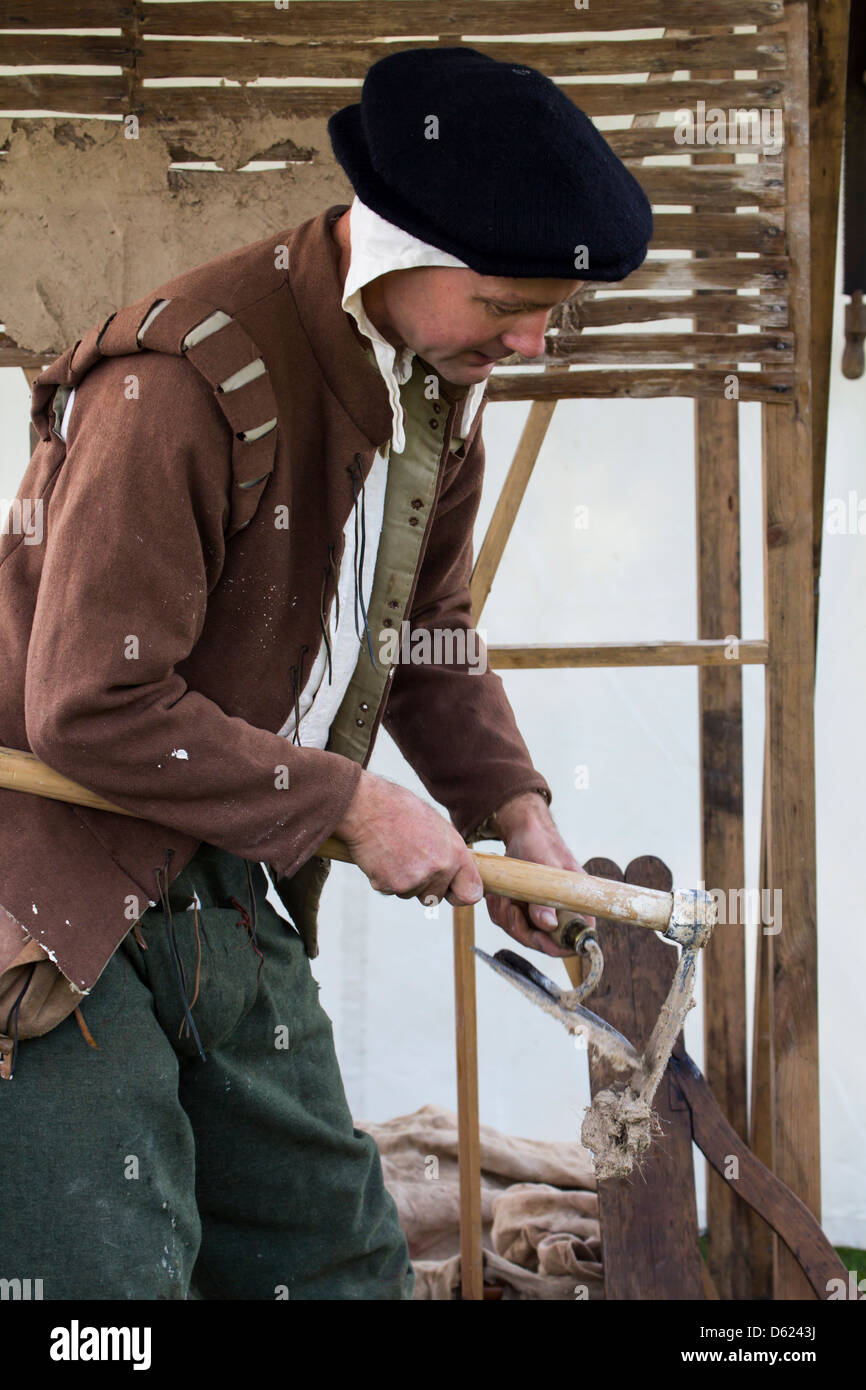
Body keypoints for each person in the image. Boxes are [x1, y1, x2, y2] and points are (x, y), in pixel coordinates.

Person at [0, 47, 652, 1299]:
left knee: (333, 1267)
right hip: (57, 894)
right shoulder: (181, 379)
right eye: (509, 300)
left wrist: (511, 809)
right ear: (401, 248)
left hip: (228, 879)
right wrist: (352, 802)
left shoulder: (436, 385)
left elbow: (424, 627)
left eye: (550, 312)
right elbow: (87, 707)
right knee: (106, 1292)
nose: (528, 340)